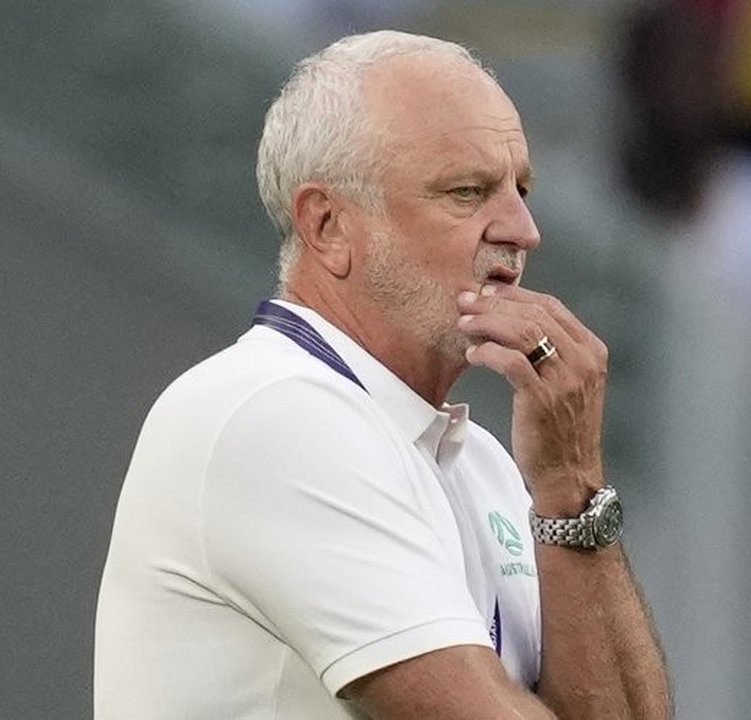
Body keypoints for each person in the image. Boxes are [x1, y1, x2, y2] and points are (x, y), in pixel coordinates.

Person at [94, 30, 671, 719]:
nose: (523, 229)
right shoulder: (275, 414)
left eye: (521, 189)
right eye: (468, 191)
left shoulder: (482, 463)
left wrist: (572, 488)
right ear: (328, 226)